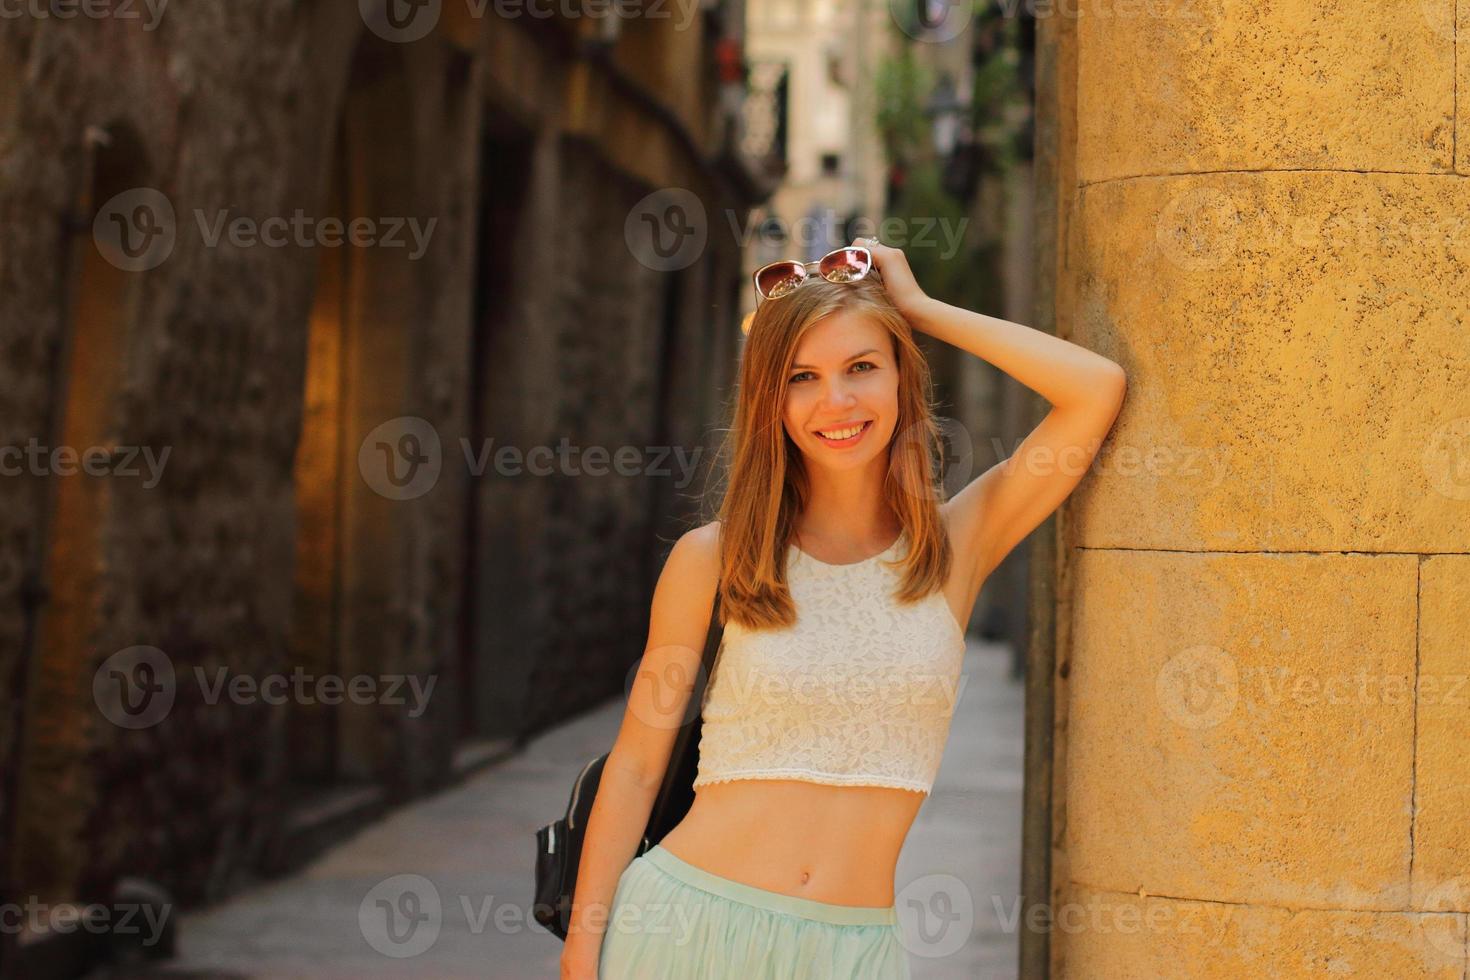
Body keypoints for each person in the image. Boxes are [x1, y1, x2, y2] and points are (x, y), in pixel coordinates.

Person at [560, 237, 1127, 979]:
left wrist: (921, 309)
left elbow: (1096, 388)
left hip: (854, 952)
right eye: (803, 377)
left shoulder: (956, 547)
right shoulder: (714, 556)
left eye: (862, 366)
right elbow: (636, 767)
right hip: (681, 928)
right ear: (773, 400)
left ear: (901, 376)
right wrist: (581, 951)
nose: (837, 401)